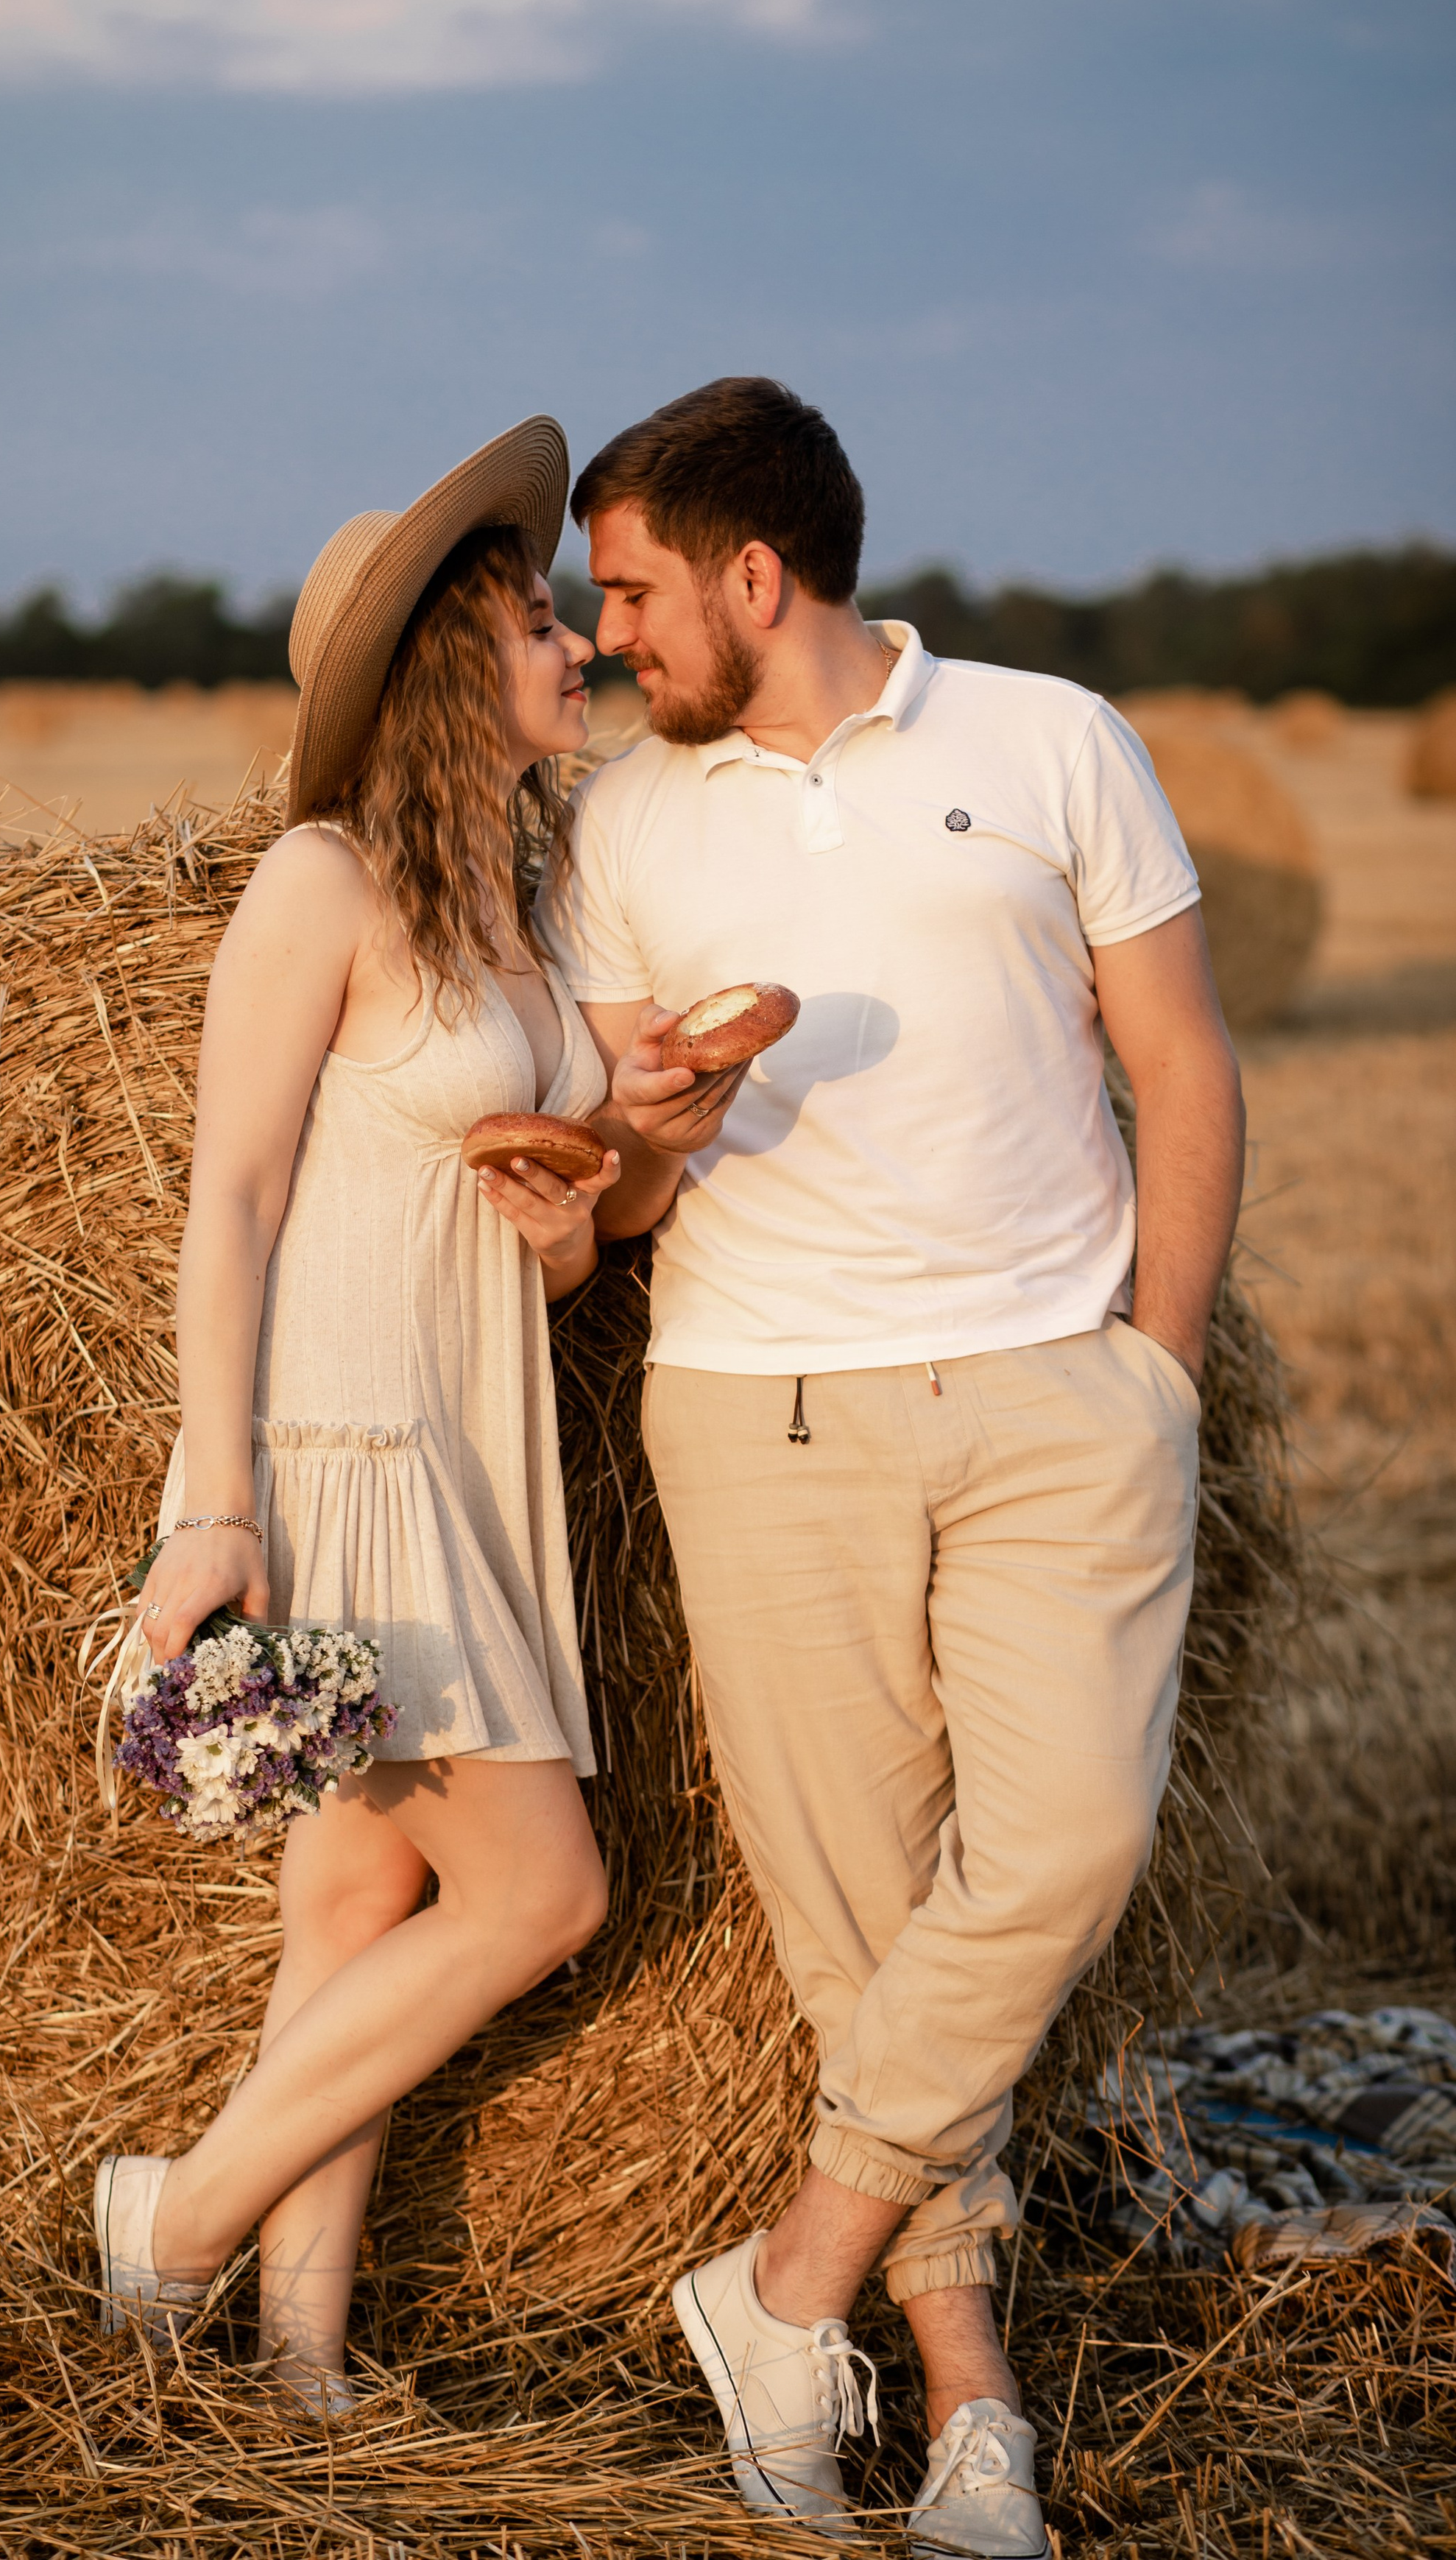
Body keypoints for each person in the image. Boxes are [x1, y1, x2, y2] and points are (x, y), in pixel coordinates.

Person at [544, 378, 1245, 2551]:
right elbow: (620, 1203)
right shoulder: (626, 829)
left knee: (1053, 1856)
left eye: (639, 595)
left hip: (1059, 1398)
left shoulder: (1055, 742)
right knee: (869, 1943)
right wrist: (646, 1137)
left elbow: (1183, 1062)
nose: (610, 641)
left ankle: (784, 2284)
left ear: (760, 580)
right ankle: (971, 2419)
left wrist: (1162, 1371)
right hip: (765, 1418)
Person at [93, 420, 618, 2411]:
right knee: (542, 1894)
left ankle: (298, 2358)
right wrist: (209, 1506)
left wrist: (569, 1240)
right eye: (541, 626)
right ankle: (177, 2217)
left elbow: (531, 1236)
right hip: (345, 1461)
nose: (579, 653)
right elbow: (228, 1200)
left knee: (359, 1891)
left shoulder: (516, 899)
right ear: (440, 670)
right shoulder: (321, 883)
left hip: (479, 1447)